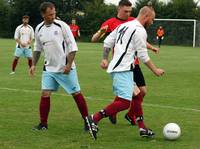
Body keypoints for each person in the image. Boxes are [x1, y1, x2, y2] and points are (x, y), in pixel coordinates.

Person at [86, 6, 165, 140]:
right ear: (146, 16)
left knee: (138, 95)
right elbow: (143, 56)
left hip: (122, 67)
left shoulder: (125, 26)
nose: (152, 22)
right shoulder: (139, 30)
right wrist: (155, 70)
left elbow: (107, 42)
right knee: (124, 102)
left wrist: (105, 58)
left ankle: (142, 128)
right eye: (152, 19)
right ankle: (94, 118)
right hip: (123, 69)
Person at [30, 2, 89, 131]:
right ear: (43, 14)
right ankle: (43, 124)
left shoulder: (62, 26)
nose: (53, 16)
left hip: (64, 68)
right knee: (45, 94)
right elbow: (37, 48)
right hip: (48, 68)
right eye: (50, 14)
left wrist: (68, 65)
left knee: (76, 93)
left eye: (54, 13)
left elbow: (73, 47)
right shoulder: (39, 28)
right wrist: (33, 64)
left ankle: (87, 122)